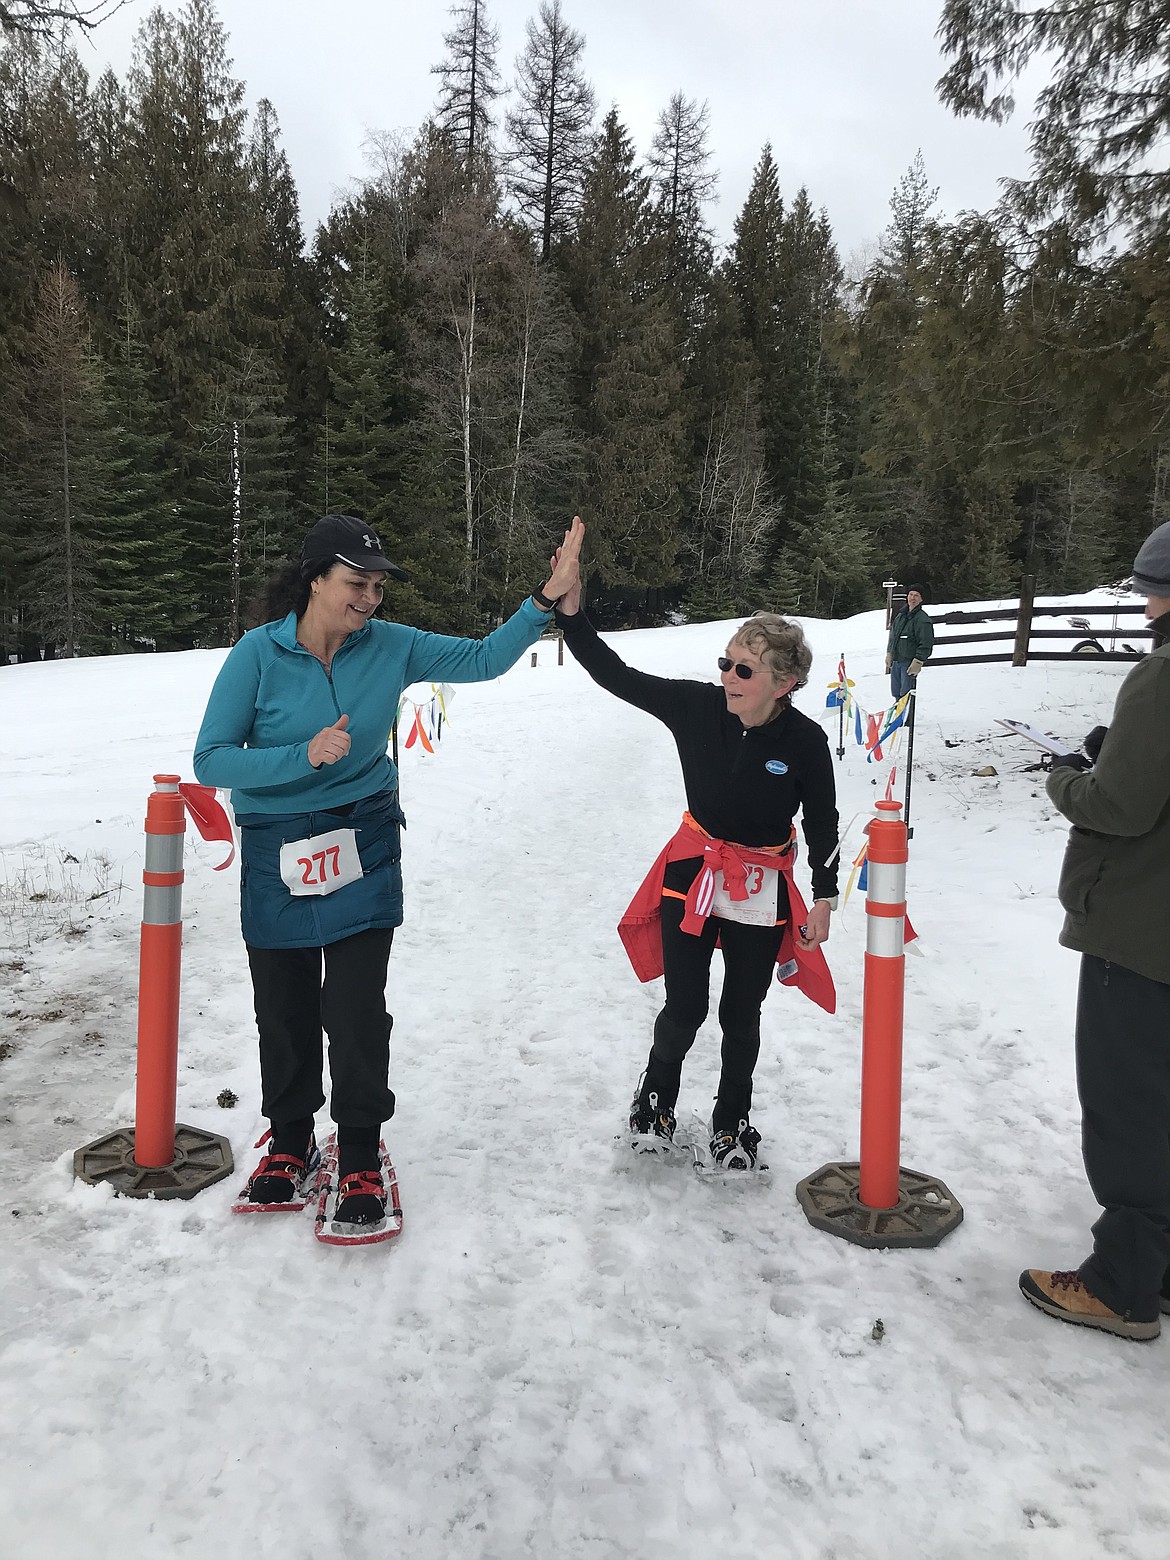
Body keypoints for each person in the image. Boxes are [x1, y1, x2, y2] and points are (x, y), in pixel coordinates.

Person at [194, 512, 584, 1228]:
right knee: (282, 1008)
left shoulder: (392, 646)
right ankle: (289, 1143)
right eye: (356, 584)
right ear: (315, 578)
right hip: (275, 845)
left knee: (354, 1007)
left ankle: (362, 1149)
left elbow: (483, 660)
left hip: (362, 836)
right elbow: (211, 758)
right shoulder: (257, 654)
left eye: (377, 586)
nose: (370, 599)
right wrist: (299, 757)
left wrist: (543, 600)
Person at [555, 580, 839, 1170]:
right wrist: (574, 616)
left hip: (760, 886)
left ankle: (732, 1121)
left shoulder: (806, 741)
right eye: (726, 663)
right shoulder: (696, 707)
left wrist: (824, 897)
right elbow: (617, 675)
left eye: (744, 669)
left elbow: (822, 819)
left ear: (784, 685)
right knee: (684, 1006)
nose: (729, 677)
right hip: (693, 872)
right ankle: (654, 1102)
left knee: (742, 1011)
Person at [1019, 520, 1170, 1341]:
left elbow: (1120, 806)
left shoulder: (1160, 677)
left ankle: (1120, 1284)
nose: (1144, 603)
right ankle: (1158, 1265)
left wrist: (1071, 779)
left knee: (1127, 1106)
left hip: (1140, 932)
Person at [885, 585, 934, 700]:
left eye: (916, 596)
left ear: (921, 599)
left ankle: (907, 717)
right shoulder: (901, 616)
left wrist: (918, 661)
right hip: (897, 661)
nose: (913, 598)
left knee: (906, 694)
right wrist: (890, 653)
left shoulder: (922, 620)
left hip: (909, 662)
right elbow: (894, 636)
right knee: (896, 692)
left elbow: (926, 642)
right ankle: (898, 715)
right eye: (911, 595)